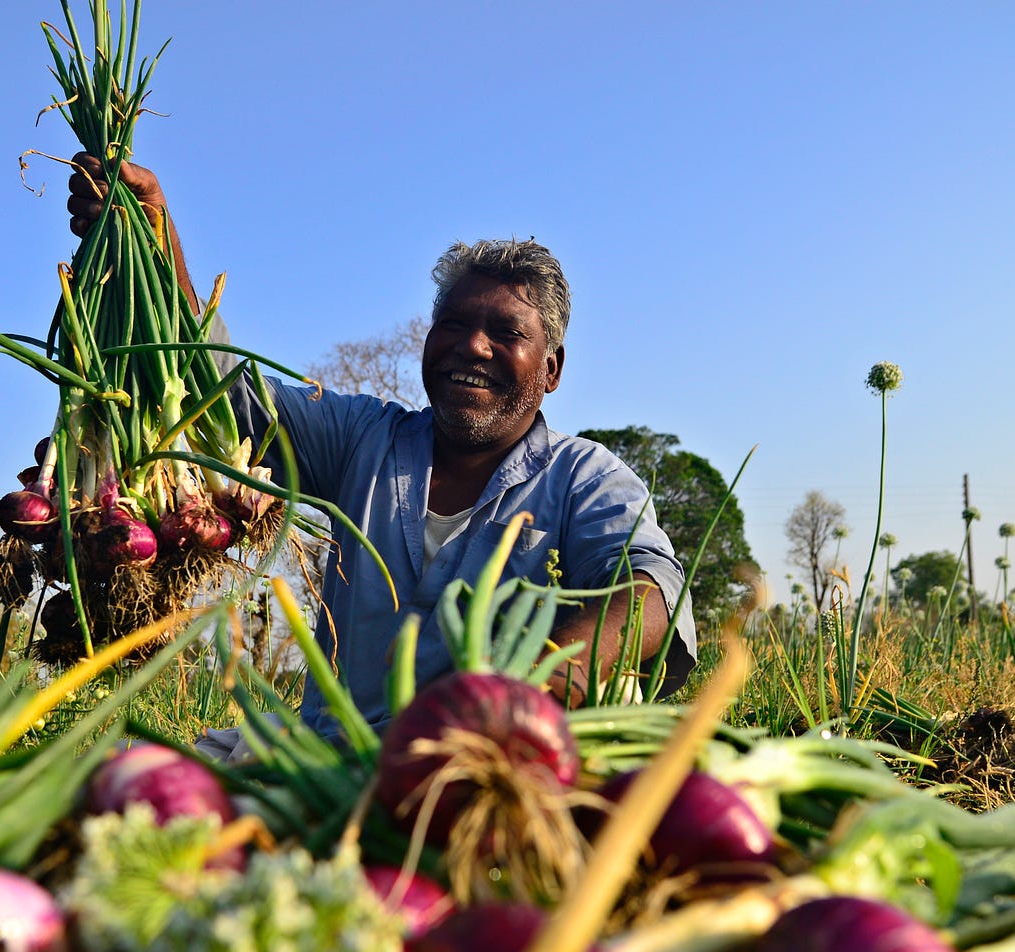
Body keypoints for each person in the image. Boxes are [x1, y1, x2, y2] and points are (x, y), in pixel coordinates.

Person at [65, 155, 697, 747]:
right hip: (320, 758)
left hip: (478, 758)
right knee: (126, 782)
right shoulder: (364, 438)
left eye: (506, 333)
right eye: (453, 323)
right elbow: (229, 392)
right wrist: (152, 242)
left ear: (551, 368)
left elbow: (651, 590)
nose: (472, 346)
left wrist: (535, 683)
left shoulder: (582, 477)